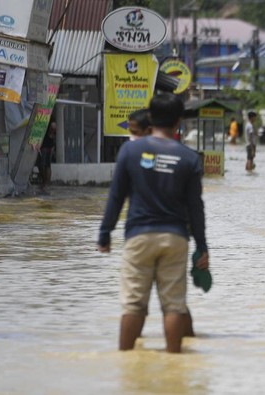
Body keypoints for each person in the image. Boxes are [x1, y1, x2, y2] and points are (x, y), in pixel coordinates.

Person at [97, 92, 209, 353]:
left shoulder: (130, 150)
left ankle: (124, 363)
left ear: (151, 117)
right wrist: (202, 246)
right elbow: (196, 207)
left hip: (138, 237)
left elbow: (116, 197)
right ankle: (174, 365)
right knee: (174, 306)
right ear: (178, 121)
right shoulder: (190, 158)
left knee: (134, 305)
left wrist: (105, 233)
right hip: (175, 238)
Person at [38, 121, 57, 192]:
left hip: (47, 147)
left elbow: (53, 131)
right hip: (44, 146)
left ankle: (46, 182)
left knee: (46, 165)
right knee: (43, 165)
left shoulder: (50, 120)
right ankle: (45, 182)